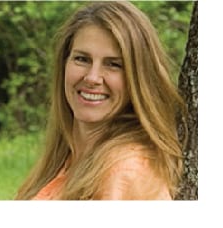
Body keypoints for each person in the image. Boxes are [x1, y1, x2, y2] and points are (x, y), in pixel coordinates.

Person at [15, 1, 186, 200]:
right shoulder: (65, 158)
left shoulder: (126, 171)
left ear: (138, 79)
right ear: (65, 63)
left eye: (113, 64)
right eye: (82, 59)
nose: (92, 78)